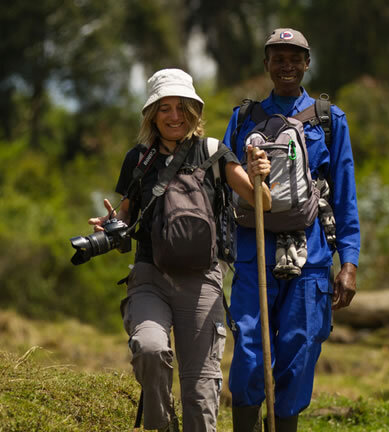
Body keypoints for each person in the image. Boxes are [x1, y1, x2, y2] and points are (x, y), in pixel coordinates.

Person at [88, 68, 271, 432]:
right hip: (150, 276)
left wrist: (259, 174)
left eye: (181, 107)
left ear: (193, 111)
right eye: (165, 108)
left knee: (201, 393)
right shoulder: (138, 159)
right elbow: (124, 218)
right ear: (152, 114)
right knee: (150, 349)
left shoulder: (215, 152)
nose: (174, 116)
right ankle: (164, 424)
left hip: (202, 281)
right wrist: (110, 226)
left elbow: (261, 203)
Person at [223, 28, 360, 431]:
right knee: (249, 351)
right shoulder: (244, 117)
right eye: (277, 58)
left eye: (294, 58)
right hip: (253, 254)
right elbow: (224, 182)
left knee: (299, 352)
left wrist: (348, 261)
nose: (286, 66)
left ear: (306, 63)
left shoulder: (329, 120)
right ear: (266, 64)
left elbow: (345, 192)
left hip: (312, 256)